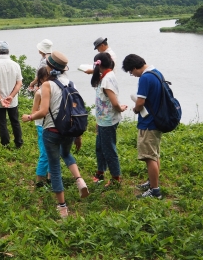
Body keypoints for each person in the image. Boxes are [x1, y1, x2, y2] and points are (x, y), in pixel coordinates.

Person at [22, 51, 89, 218]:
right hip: (69, 130)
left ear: (49, 66)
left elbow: (43, 111)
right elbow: (76, 110)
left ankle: (62, 207)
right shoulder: (71, 83)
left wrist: (29, 117)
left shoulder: (47, 85)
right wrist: (78, 135)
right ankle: (79, 180)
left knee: (55, 167)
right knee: (66, 154)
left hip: (51, 131)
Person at [122, 54, 164, 199]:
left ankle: (155, 190)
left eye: (131, 72)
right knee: (154, 154)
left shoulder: (145, 78)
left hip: (149, 123)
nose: (132, 75)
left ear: (134, 67)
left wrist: (135, 109)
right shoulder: (156, 72)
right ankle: (153, 182)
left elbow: (140, 103)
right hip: (157, 120)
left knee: (149, 157)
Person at [91, 52, 127, 187]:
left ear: (98, 65)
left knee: (108, 149)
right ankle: (100, 172)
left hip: (108, 121)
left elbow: (113, 101)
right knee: (100, 147)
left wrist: (120, 108)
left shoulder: (107, 79)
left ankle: (115, 178)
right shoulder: (106, 76)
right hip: (103, 120)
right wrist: (98, 120)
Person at [0, 41, 23, 148]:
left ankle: (5, 144)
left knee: (2, 122)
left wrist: (1, 98)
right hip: (12, 100)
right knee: (15, 121)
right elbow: (19, 83)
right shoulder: (15, 65)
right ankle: (18, 142)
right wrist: (11, 96)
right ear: (8, 52)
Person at [30, 66, 51, 187]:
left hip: (51, 125)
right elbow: (33, 112)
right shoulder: (39, 93)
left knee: (53, 152)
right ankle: (39, 179)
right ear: (42, 79)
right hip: (41, 125)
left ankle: (49, 177)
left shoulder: (52, 90)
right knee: (45, 152)